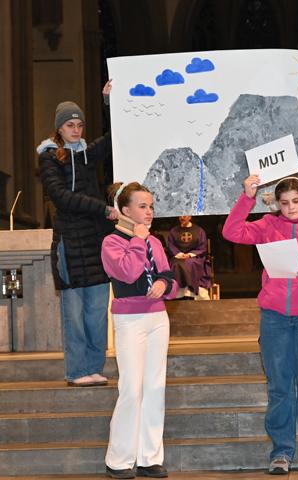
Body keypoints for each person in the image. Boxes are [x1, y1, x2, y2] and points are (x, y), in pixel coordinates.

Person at [222, 175, 298, 475]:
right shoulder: (268, 225)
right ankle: (281, 452)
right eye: (284, 202)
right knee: (279, 387)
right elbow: (231, 231)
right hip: (274, 318)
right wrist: (247, 197)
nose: (290, 207)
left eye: (296, 201)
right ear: (276, 204)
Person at [37, 81, 117, 387]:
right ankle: (76, 371)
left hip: (96, 242)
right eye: (70, 125)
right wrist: (102, 209)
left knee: (96, 312)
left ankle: (94, 368)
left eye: (80, 125)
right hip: (69, 243)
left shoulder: (85, 154)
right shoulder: (49, 157)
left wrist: (109, 103)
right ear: (59, 128)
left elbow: (114, 136)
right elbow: (61, 197)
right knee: (74, 314)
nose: (76, 130)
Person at [102, 181, 177, 479]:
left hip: (157, 319)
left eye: (151, 206)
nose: (149, 212)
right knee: (131, 389)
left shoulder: (155, 242)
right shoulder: (111, 242)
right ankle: (118, 459)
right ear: (125, 210)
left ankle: (149, 457)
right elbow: (128, 272)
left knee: (155, 388)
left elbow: (169, 277)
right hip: (130, 320)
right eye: (142, 206)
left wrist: (163, 284)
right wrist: (138, 239)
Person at [167, 215, 212, 300]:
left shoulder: (199, 231)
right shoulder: (174, 231)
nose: (182, 218)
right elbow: (171, 245)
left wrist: (190, 254)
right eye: (180, 216)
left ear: (190, 217)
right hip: (178, 257)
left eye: (185, 216)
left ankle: (191, 291)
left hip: (195, 257)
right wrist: (180, 254)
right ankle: (178, 294)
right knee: (176, 264)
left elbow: (202, 247)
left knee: (190, 263)